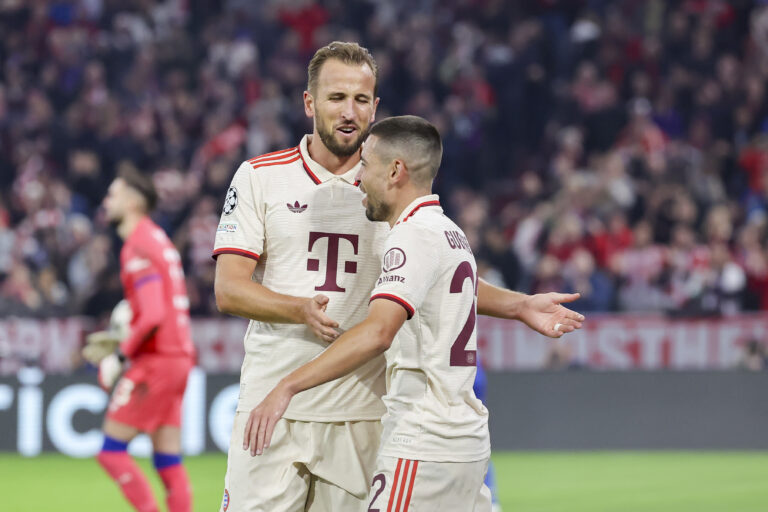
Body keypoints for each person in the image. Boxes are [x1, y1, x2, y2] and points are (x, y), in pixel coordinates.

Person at [213, 42, 584, 512]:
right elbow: (228, 289)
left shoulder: (390, 183)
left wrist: (517, 304)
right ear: (309, 103)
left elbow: (433, 276)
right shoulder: (258, 177)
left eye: (361, 100)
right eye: (336, 98)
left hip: (363, 411)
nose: (349, 112)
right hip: (272, 404)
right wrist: (298, 308)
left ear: (375, 106)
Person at [244, 116, 542, 510]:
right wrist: (520, 305)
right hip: (465, 440)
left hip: (422, 440)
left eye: (366, 165)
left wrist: (287, 385)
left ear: (396, 171)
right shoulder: (448, 232)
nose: (359, 178)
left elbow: (379, 332)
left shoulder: (409, 236)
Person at [83, 167, 196, 512]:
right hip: (179, 357)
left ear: (133, 201)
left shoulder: (138, 246)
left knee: (110, 453)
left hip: (157, 361)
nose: (107, 201)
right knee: (167, 461)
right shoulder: (158, 239)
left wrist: (119, 356)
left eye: (113, 194)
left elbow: (152, 315)